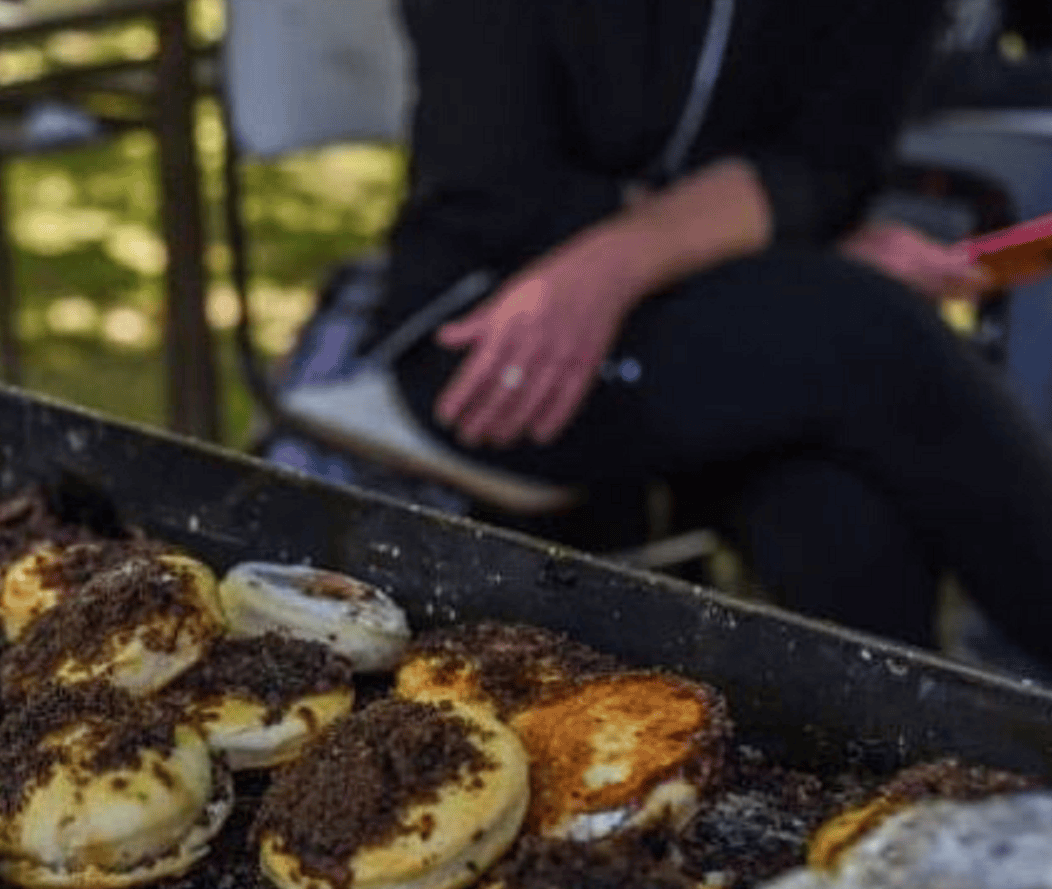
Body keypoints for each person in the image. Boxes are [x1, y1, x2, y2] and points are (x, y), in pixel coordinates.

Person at [365, 0, 1052, 671]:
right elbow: (498, 185)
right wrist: (756, 237)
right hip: (490, 319)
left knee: (833, 507)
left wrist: (652, 251)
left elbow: (829, 165)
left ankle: (917, 772)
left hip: (715, 295)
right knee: (871, 333)